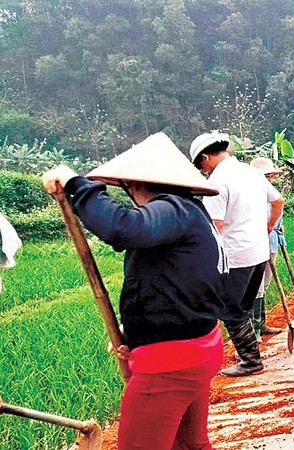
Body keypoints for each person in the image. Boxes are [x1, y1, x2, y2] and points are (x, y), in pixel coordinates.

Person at [42, 132, 227, 450]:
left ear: (136, 184)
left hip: (172, 364)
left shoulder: (173, 210)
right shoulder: (190, 212)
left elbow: (122, 228)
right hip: (197, 347)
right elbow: (177, 281)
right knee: (190, 445)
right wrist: (141, 330)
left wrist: (74, 183)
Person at [190, 131, 278, 377]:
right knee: (244, 305)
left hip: (235, 256)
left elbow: (215, 226)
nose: (203, 170)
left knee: (230, 309)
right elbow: (278, 200)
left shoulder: (216, 182)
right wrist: (268, 226)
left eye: (201, 166)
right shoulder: (251, 172)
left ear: (206, 158)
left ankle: (251, 360)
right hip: (259, 253)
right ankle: (247, 351)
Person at [249, 156, 286, 336]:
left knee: (264, 284)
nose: (270, 179)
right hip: (259, 245)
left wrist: (276, 226)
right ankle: (254, 331)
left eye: (270, 176)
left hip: (272, 244)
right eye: (267, 176)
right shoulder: (254, 196)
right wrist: (270, 226)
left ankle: (261, 325)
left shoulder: (270, 193)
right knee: (257, 287)